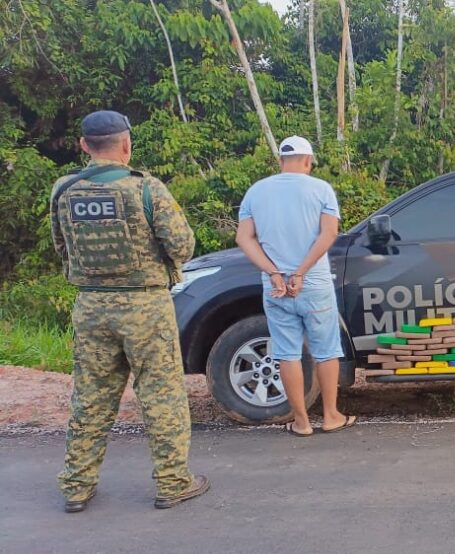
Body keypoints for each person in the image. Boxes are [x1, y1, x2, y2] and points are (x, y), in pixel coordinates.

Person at [52, 110, 209, 513]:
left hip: (91, 305)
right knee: (161, 395)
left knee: (90, 397)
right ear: (126, 145)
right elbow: (183, 246)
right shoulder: (147, 189)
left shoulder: (63, 191)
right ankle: (173, 482)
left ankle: (76, 486)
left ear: (84, 145)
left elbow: (62, 248)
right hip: (146, 305)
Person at [236, 136, 355, 437]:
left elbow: (244, 239)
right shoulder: (321, 189)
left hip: (275, 286)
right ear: (308, 161)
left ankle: (301, 422)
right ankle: (331, 416)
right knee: (326, 349)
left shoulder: (256, 192)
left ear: (280, 161)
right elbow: (328, 235)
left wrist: (275, 272)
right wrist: (301, 272)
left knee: (287, 353)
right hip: (312, 282)